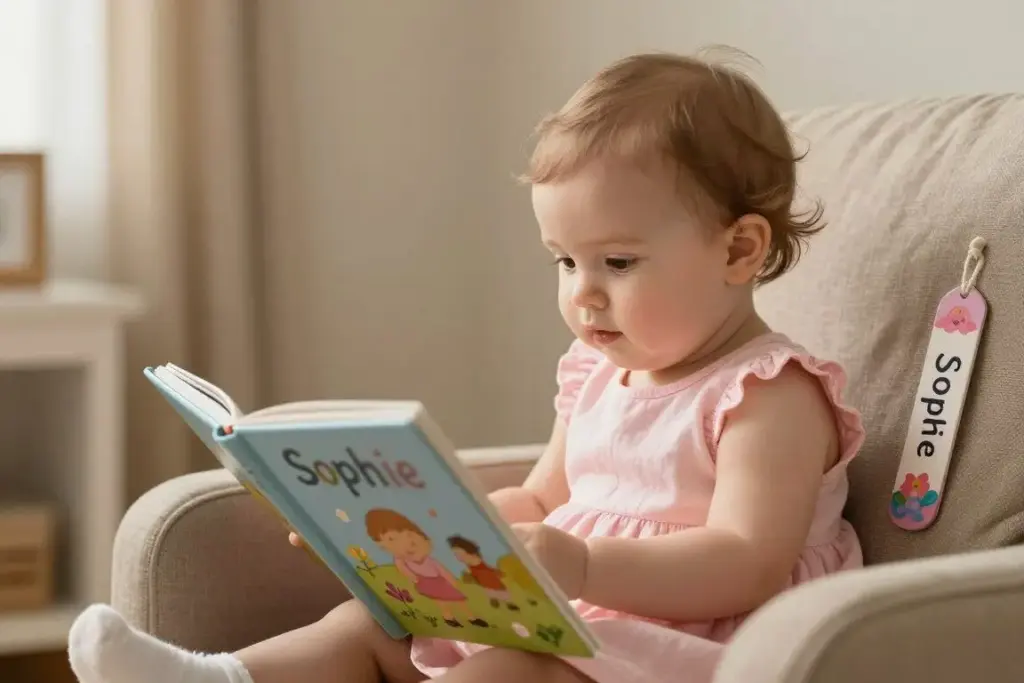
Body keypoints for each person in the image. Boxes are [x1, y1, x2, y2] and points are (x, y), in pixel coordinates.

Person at [66, 49, 865, 683]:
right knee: (370, 626)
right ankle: (216, 676)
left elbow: (748, 560)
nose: (582, 294)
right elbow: (543, 496)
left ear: (739, 250)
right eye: (564, 261)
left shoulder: (767, 393)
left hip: (683, 647)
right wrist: (406, 533)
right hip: (571, 615)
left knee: (512, 668)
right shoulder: (595, 374)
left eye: (617, 262)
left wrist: (583, 562)